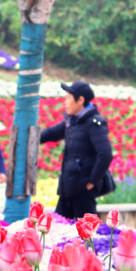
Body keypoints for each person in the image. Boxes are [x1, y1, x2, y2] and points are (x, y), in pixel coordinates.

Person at [40, 81, 114, 220]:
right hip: (68, 189)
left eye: (68, 98)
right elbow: (50, 134)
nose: (65, 102)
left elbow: (105, 154)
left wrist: (91, 182)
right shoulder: (72, 122)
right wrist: (29, 137)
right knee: (58, 230)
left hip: (83, 190)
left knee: (87, 233)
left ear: (80, 100)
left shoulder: (94, 124)